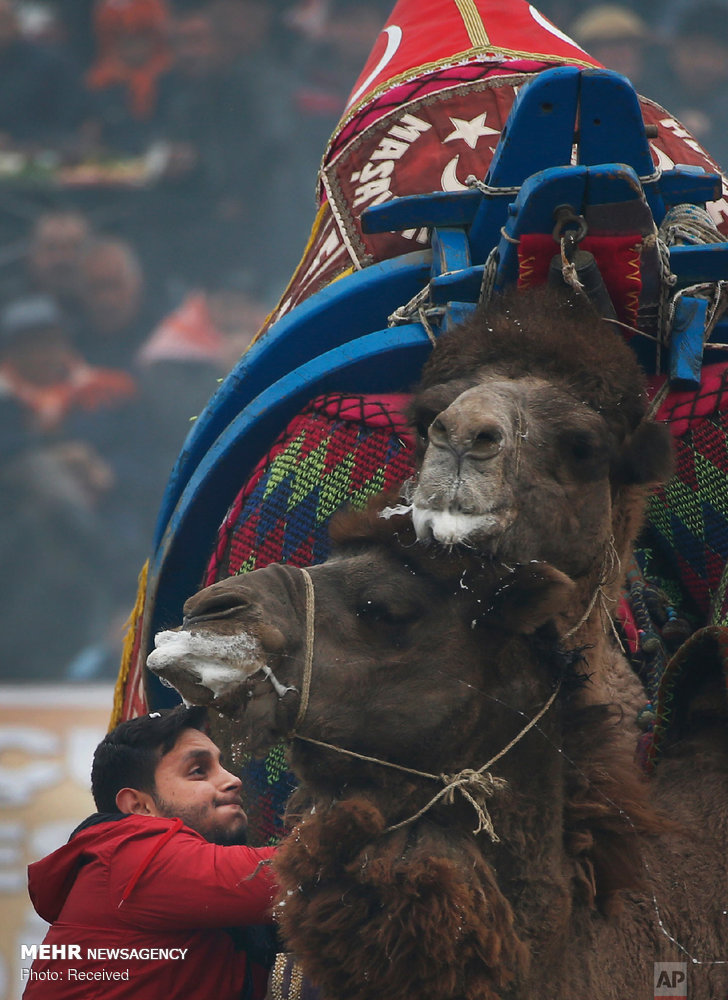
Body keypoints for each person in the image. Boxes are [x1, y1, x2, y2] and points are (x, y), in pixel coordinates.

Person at [23, 706, 278, 1000]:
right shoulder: (128, 852)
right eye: (198, 771)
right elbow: (294, 876)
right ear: (139, 808)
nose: (234, 779)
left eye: (222, 766)